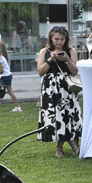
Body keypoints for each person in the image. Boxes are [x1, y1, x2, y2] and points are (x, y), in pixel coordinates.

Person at [36, 26, 82, 157]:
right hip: (51, 89)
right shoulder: (44, 52)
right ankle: (70, 144)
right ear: (51, 38)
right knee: (56, 116)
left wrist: (66, 60)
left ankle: (63, 146)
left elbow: (75, 71)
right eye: (56, 39)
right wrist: (50, 59)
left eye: (62, 39)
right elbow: (40, 71)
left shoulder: (70, 51)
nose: (59, 42)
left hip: (67, 88)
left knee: (68, 115)